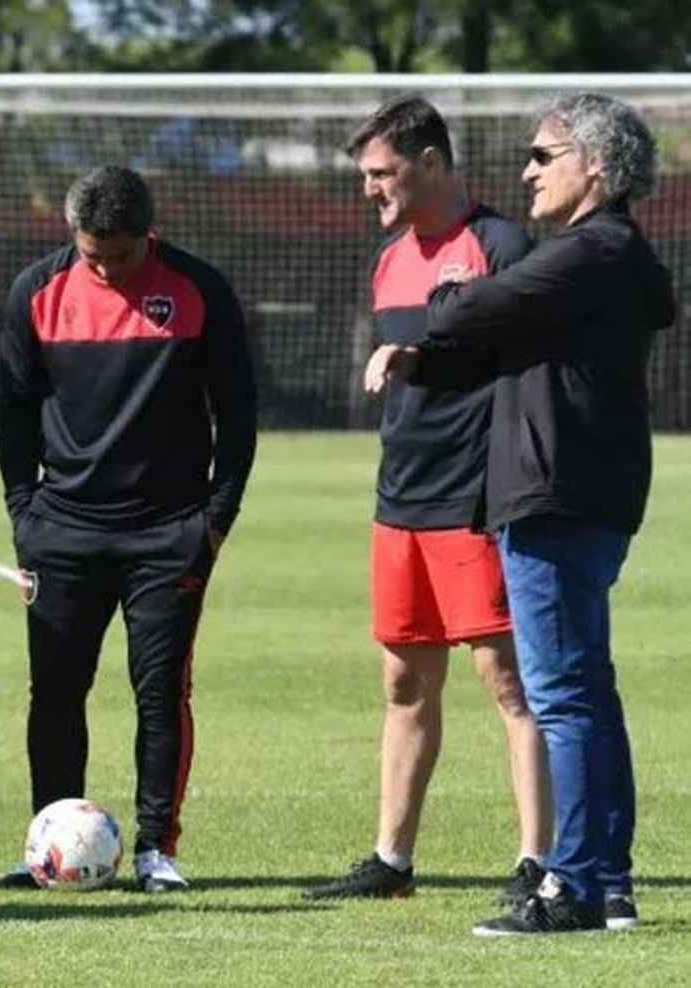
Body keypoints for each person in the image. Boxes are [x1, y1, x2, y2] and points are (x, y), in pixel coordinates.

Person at [368, 93, 675, 936]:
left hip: (554, 495)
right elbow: (487, 340)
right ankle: (608, 882)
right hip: (583, 496)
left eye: (546, 155)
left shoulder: (586, 252)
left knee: (564, 695)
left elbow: (467, 310)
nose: (529, 170)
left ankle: (570, 884)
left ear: (597, 171)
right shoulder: (605, 258)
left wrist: (455, 293)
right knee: (589, 694)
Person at [305, 96, 552, 905]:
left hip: (476, 502)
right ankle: (392, 862)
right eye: (366, 175)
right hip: (399, 503)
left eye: (382, 173)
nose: (370, 189)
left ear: (431, 163)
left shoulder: (500, 246)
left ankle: (538, 865)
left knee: (512, 689)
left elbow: (527, 371)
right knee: (405, 687)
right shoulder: (388, 259)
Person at [0, 164, 257, 892]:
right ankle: (46, 845)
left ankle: (154, 851)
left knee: (160, 692)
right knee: (54, 690)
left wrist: (213, 524)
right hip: (62, 531)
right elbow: (13, 413)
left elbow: (237, 416)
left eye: (120, 253)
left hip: (168, 534)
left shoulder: (200, 291)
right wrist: (25, 515)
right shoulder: (36, 292)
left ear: (151, 230)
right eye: (91, 254)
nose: (106, 268)